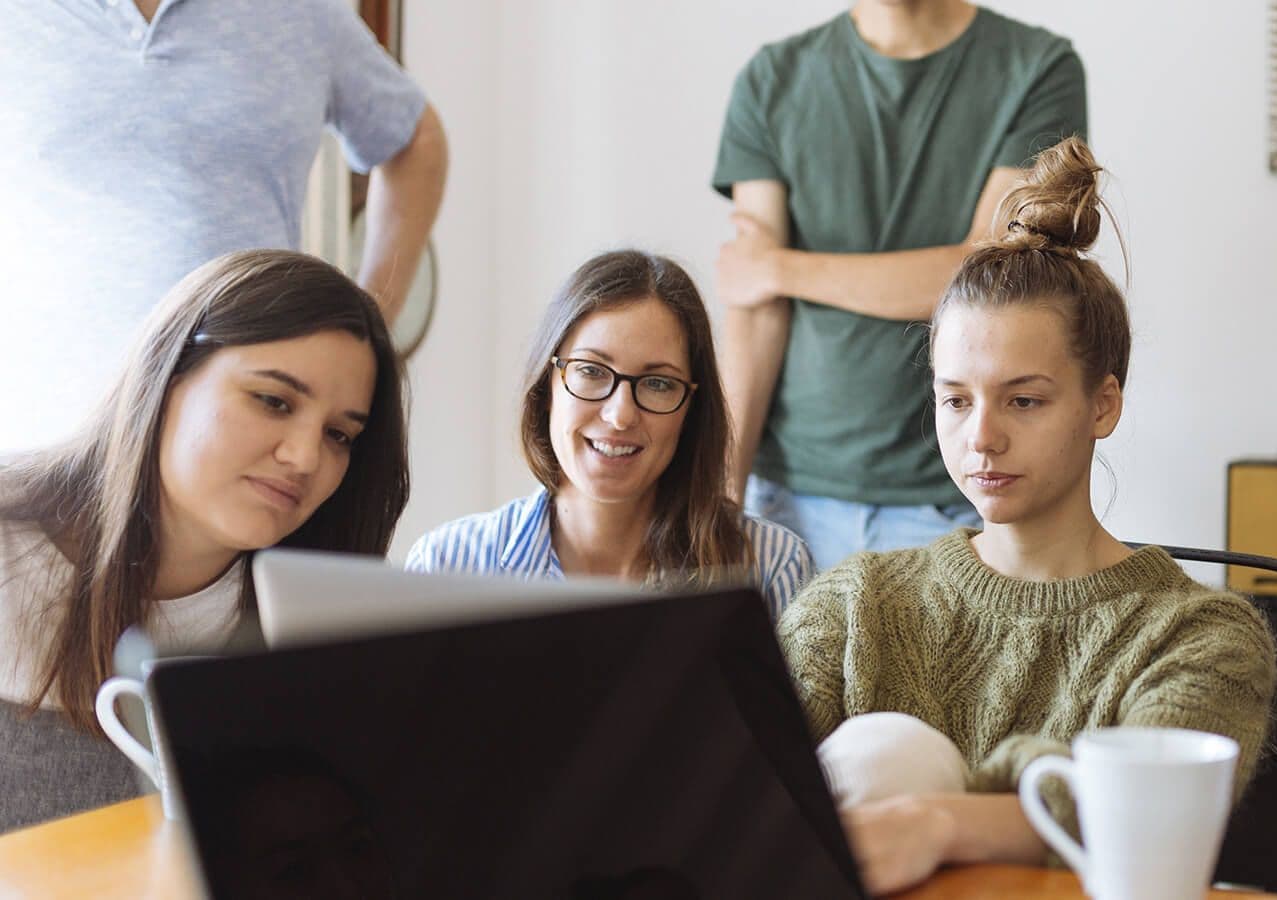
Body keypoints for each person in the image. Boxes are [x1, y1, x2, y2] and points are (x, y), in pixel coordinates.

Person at [777, 138, 1277, 895]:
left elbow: (1146, 818)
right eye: (956, 399)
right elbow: (733, 787)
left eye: (1024, 399)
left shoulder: (1200, 637)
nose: (982, 437)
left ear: (1101, 404)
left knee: (894, 754)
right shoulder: (854, 606)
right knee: (886, 750)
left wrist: (937, 821)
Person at [0, 250, 409, 832]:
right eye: (273, 401)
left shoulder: (319, 619)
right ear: (167, 377)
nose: (305, 457)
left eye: (340, 434)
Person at [711, 0, 1087, 569]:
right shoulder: (772, 79)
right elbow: (754, 306)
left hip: (956, 495)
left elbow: (989, 279)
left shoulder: (1038, 66)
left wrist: (780, 267)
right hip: (786, 499)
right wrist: (721, 501)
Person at [0, 0, 449, 456]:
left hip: (247, 450)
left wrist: (371, 324)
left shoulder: (302, 13)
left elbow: (417, 140)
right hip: (36, 441)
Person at [405, 251, 812, 618]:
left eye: (657, 383)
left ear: (692, 410)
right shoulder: (447, 566)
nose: (620, 416)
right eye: (592, 371)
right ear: (548, 386)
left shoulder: (770, 566)